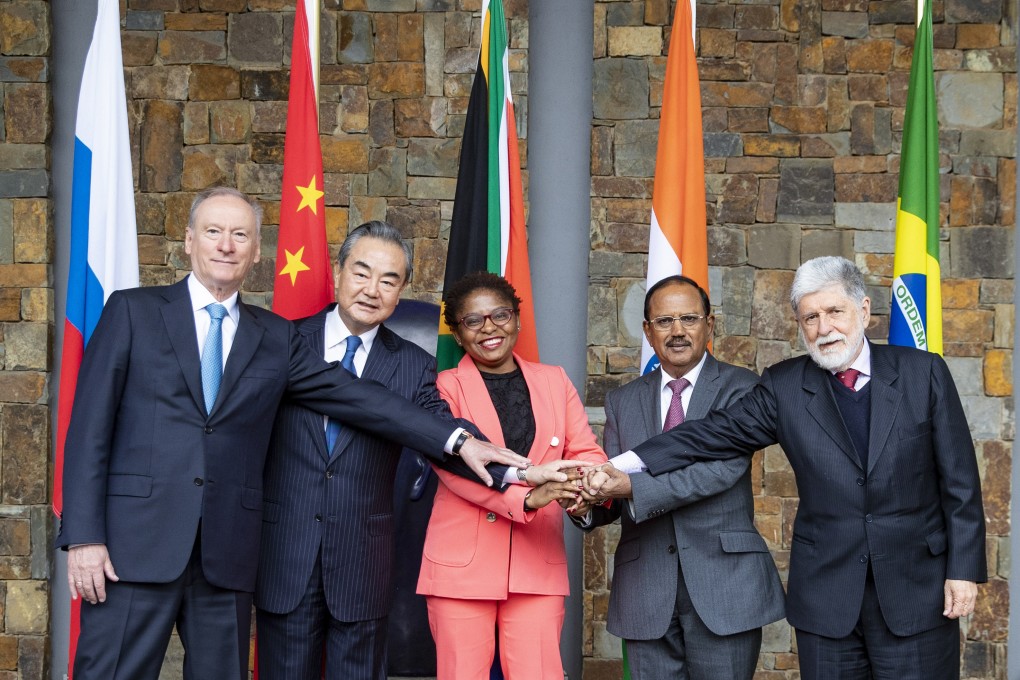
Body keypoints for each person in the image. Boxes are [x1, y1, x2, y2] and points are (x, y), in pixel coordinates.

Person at [55, 188, 530, 680]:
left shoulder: (273, 337)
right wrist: (85, 535)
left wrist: (460, 440)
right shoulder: (132, 311)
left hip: (227, 561)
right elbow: (88, 430)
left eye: (240, 235)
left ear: (256, 251)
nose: (227, 245)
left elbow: (359, 397)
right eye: (214, 232)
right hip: (134, 549)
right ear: (190, 240)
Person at [586, 256, 986, 680]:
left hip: (917, 590)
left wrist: (962, 571)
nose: (824, 327)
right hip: (827, 598)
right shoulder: (784, 385)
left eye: (834, 312)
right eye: (810, 317)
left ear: (864, 311)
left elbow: (960, 482)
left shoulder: (923, 373)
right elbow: (712, 434)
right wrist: (624, 465)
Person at [256, 221, 494, 679]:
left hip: (362, 565)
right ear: (339, 271)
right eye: (362, 273)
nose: (372, 290)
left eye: (389, 280)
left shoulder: (413, 364)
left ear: (402, 288)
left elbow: (441, 427)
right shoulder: (279, 342)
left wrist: (513, 469)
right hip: (284, 555)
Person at [583, 275, 784, 679]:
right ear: (647, 331)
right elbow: (614, 480)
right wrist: (584, 499)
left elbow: (720, 471)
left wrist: (630, 487)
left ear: (710, 325)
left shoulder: (743, 388)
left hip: (723, 585)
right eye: (664, 321)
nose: (677, 331)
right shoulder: (623, 400)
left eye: (689, 319)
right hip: (645, 588)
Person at [417, 272, 607, 679]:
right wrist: (527, 497)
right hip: (460, 567)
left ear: (517, 319)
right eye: (473, 320)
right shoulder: (441, 388)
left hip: (536, 564)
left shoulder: (554, 381)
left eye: (500, 315)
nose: (489, 328)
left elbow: (586, 452)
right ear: (457, 332)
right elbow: (452, 468)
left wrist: (586, 485)